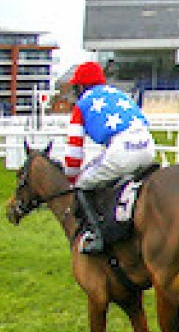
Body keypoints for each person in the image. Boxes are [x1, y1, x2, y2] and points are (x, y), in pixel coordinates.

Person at [61, 61, 157, 254]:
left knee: (83, 182)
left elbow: (73, 153)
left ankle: (97, 235)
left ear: (81, 86)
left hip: (122, 150)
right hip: (148, 146)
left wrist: (71, 179)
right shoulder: (118, 94)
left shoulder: (82, 105)